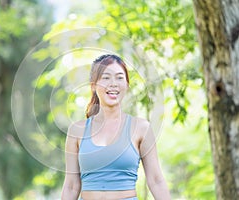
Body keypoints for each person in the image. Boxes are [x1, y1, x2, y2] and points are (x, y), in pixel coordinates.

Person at [61, 54, 171, 200]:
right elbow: (71, 185)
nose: (113, 83)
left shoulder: (141, 128)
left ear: (126, 84)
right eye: (106, 78)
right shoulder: (77, 131)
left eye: (119, 77)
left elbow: (156, 180)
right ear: (93, 85)